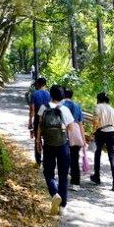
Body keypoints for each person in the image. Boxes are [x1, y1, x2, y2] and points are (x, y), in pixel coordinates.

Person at [36, 84, 77, 216]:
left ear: (51, 95)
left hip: (48, 144)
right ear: (62, 96)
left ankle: (54, 194)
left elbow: (39, 127)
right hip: (62, 145)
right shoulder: (65, 109)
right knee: (63, 175)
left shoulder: (43, 108)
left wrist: (37, 141)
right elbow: (71, 129)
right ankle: (62, 207)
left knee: (48, 172)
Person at [89, 91, 114, 191]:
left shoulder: (98, 107)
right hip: (111, 132)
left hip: (101, 132)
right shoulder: (113, 110)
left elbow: (95, 122)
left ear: (98, 99)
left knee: (97, 154)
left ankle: (97, 177)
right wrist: (113, 136)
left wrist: (93, 132)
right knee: (112, 157)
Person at [62, 87, 86, 187]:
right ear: (72, 95)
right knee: (75, 158)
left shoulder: (60, 105)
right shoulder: (77, 106)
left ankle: (63, 179)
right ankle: (75, 183)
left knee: (63, 156)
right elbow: (80, 123)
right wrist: (83, 138)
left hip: (63, 132)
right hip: (76, 132)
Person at [28, 77, 50, 165]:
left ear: (37, 84)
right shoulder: (49, 94)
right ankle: (47, 159)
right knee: (47, 139)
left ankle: (38, 159)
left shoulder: (34, 94)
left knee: (38, 139)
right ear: (45, 84)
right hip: (48, 119)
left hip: (38, 119)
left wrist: (30, 121)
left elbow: (32, 110)